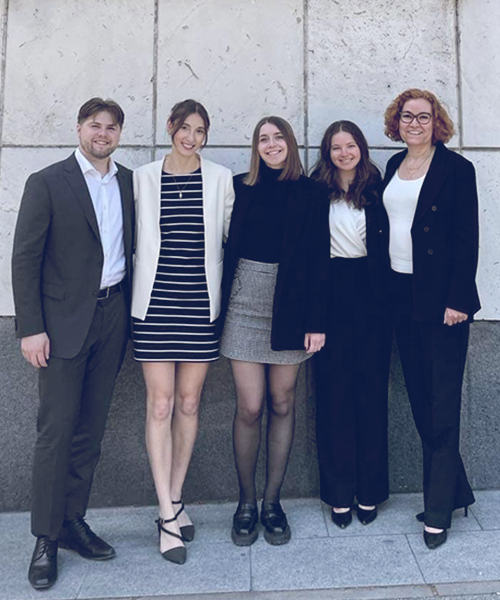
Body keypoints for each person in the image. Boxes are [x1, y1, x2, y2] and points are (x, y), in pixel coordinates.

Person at [12, 98, 134, 590]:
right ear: (79, 128)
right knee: (55, 431)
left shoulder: (127, 181)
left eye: (110, 127)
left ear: (119, 133)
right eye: (94, 125)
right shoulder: (47, 182)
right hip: (61, 325)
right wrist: (30, 327)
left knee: (90, 431)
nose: (102, 134)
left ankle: (72, 522)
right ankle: (45, 536)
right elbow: (25, 259)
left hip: (112, 318)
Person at [131, 99, 235, 564]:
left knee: (190, 403)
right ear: (170, 128)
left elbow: (234, 240)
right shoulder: (142, 178)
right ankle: (165, 514)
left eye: (200, 130)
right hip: (153, 307)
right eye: (184, 128)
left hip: (199, 306)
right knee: (161, 403)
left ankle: (175, 498)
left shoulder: (219, 179)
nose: (191, 137)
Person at [220, 116, 330, 547]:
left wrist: (317, 321)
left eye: (277, 137)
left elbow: (321, 258)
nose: (271, 144)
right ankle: (245, 503)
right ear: (256, 147)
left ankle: (272, 502)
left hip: (293, 304)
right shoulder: (239, 186)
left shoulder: (311, 191)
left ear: (290, 142)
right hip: (245, 298)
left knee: (282, 402)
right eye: (263, 139)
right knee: (250, 406)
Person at [381, 88, 480, 549]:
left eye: (423, 117)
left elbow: (467, 238)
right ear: (396, 122)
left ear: (436, 122)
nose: (414, 123)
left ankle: (438, 508)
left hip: (443, 302)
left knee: (442, 402)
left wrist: (458, 298)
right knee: (421, 399)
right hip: (401, 296)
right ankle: (455, 488)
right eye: (407, 116)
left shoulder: (458, 169)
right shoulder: (391, 167)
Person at [310, 121, 392, 529]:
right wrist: (313, 318)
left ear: (361, 148)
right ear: (327, 153)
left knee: (371, 395)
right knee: (333, 395)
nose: (344, 153)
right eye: (336, 147)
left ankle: (370, 490)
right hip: (331, 295)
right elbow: (308, 260)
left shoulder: (378, 189)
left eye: (351, 145)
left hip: (373, 296)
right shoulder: (315, 192)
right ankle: (339, 492)